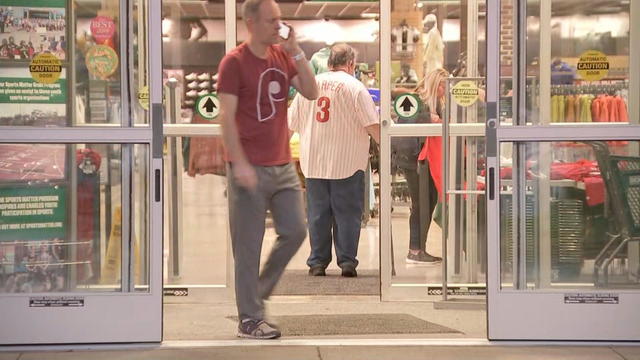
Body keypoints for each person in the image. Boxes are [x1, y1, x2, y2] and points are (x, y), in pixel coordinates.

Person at [217, 0, 318, 340]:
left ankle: (256, 293)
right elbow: (226, 118)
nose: (279, 25)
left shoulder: (281, 56)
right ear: (250, 23)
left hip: (282, 166)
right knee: (248, 246)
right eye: (271, 20)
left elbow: (311, 90)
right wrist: (240, 162)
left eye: (280, 19)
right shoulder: (234, 63)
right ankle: (250, 318)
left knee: (295, 230)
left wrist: (297, 51)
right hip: (248, 168)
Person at [288, 43, 380, 278]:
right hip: (347, 162)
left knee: (318, 214)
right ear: (351, 64)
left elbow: (289, 126)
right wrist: (386, 145)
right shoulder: (356, 88)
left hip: (314, 161)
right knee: (347, 214)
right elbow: (372, 126)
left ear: (329, 63)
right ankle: (347, 262)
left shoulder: (307, 87)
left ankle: (317, 263)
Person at [394, 68, 448, 264]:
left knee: (429, 201)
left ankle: (418, 248)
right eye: (442, 85)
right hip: (414, 161)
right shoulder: (415, 101)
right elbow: (405, 126)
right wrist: (429, 119)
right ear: (435, 84)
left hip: (425, 160)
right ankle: (415, 251)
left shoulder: (437, 105)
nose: (444, 90)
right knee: (421, 204)